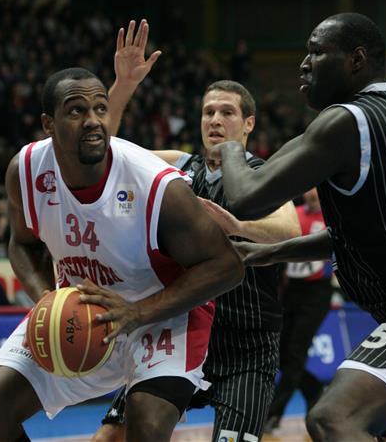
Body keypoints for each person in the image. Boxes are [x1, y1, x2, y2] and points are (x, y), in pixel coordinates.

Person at [0, 19, 245, 442]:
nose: (93, 121)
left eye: (101, 109)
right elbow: (23, 243)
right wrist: (45, 299)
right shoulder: (27, 170)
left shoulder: (155, 184)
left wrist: (137, 313)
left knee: (142, 428)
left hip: (162, 317)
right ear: (49, 124)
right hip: (82, 315)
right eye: (76, 111)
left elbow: (227, 267)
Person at [92, 32, 301, 442]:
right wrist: (124, 86)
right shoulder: (178, 167)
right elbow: (107, 149)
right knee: (110, 437)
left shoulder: (264, 174)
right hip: (179, 332)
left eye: (227, 112)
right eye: (208, 112)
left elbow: (289, 230)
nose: (215, 120)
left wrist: (238, 227)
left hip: (247, 345)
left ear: (248, 124)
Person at [209, 13, 386, 440]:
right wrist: (270, 252)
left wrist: (232, 147)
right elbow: (358, 235)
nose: (304, 63)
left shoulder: (345, 122)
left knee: (334, 418)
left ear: (356, 60)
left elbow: (247, 198)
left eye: (316, 51)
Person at [264, 187, 332, 433]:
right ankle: (313, 389)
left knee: (294, 352)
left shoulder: (329, 219)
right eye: (308, 193)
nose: (310, 197)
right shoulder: (295, 214)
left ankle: (273, 415)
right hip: (291, 291)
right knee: (281, 352)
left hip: (316, 294)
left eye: (315, 193)